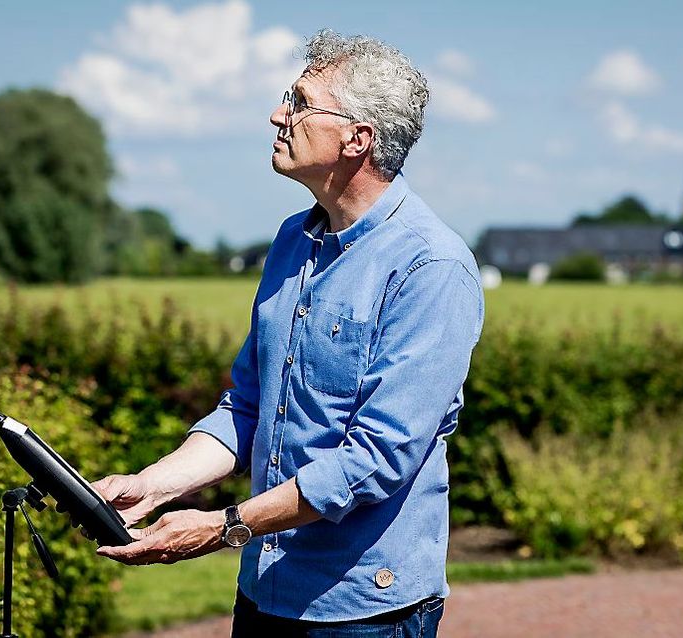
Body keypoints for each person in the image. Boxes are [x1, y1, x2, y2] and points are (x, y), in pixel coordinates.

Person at [92, 29, 484, 638]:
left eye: (300, 102)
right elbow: (247, 405)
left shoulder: (432, 268)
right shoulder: (289, 243)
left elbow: (375, 459)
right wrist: (153, 485)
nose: (279, 114)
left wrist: (224, 526)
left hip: (364, 611)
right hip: (264, 594)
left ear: (359, 138)